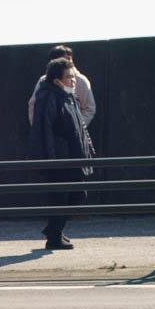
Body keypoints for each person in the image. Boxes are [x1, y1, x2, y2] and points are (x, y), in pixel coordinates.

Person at [29, 58, 93, 250]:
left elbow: (80, 127)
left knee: (77, 195)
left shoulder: (69, 96)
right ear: (57, 80)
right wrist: (51, 160)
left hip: (73, 157)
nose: (73, 81)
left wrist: (89, 149)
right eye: (69, 77)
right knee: (61, 197)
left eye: (73, 77)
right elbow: (44, 130)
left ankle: (54, 230)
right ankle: (54, 236)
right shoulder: (48, 97)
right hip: (60, 159)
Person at [25, 45, 97, 130]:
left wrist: (76, 128)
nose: (67, 63)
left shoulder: (81, 81)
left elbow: (89, 108)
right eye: (63, 60)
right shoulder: (43, 81)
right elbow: (33, 105)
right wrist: (38, 127)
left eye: (69, 59)